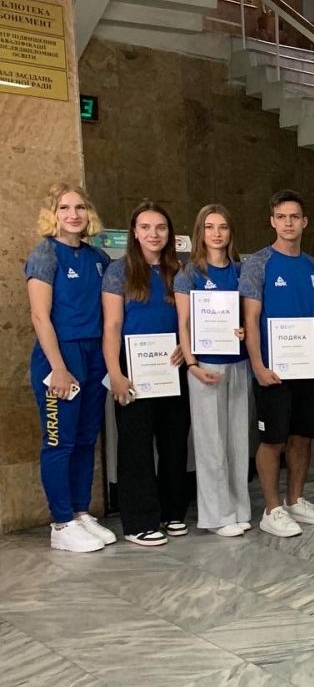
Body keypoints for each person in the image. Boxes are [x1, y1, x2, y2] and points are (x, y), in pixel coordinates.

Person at [26, 183, 115, 553]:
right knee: (59, 441)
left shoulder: (98, 258)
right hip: (60, 357)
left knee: (85, 438)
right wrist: (58, 368)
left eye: (79, 207)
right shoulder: (45, 255)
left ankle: (79, 512)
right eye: (64, 208)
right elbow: (40, 316)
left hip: (94, 354)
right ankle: (61, 523)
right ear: (53, 213)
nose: (73, 215)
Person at [240, 190, 314, 538]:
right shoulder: (258, 263)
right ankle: (272, 509)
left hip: (306, 368)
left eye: (294, 217)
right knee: (273, 440)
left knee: (302, 437)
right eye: (282, 217)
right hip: (272, 371)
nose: (288, 223)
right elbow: (250, 319)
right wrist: (258, 366)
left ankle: (294, 500)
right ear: (272, 221)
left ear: (304, 222)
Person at [101, 202, 189, 547]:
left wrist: (185, 345)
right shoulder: (118, 271)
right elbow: (112, 325)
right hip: (132, 367)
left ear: (170, 233)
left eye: (161, 227)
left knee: (174, 442)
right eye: (146, 227)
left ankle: (172, 512)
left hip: (172, 365)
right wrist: (115, 372)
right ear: (134, 233)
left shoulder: (178, 271)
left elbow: (188, 319)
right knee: (135, 445)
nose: (154, 234)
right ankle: (139, 521)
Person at [175, 204, 251, 538]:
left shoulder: (241, 271)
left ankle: (239, 508)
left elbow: (246, 316)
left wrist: (242, 331)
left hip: (238, 362)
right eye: (209, 227)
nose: (216, 233)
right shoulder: (189, 273)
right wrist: (191, 364)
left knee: (237, 441)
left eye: (223, 227)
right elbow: (184, 324)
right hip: (205, 365)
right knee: (210, 443)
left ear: (231, 232)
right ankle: (217, 515)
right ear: (200, 233)